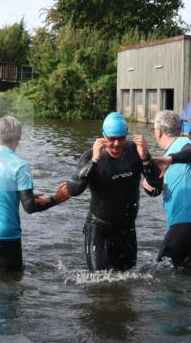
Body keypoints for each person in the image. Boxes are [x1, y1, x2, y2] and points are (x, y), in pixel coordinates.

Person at [60, 112, 162, 272]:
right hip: (99, 228)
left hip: (127, 229)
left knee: (127, 282)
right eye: (111, 138)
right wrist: (94, 161)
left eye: (120, 138)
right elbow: (73, 190)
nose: (116, 144)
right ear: (103, 136)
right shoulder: (90, 156)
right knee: (97, 282)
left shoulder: (136, 152)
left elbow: (156, 190)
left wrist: (146, 159)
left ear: (126, 135)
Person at [0, 115, 69, 271]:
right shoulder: (21, 166)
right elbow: (29, 207)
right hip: (5, 234)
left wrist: (19, 193)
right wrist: (57, 198)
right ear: (18, 138)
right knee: (11, 283)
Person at [143, 110, 191, 266]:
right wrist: (150, 186)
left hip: (186, 221)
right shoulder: (170, 155)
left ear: (158, 131)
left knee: (161, 270)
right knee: (187, 271)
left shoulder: (182, 144)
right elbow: (158, 189)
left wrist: (170, 159)